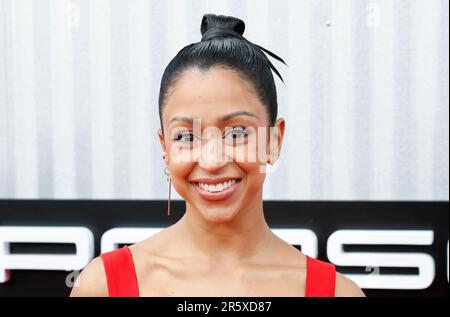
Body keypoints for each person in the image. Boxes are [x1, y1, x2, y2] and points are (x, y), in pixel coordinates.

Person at [71, 13, 365, 297]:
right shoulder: (104, 286)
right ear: (165, 147)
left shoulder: (336, 293)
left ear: (274, 141)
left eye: (236, 133)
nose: (212, 161)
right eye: (186, 136)